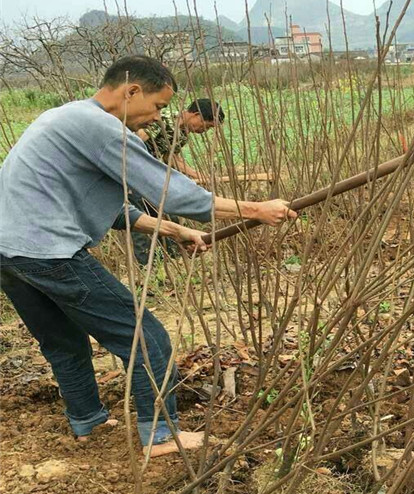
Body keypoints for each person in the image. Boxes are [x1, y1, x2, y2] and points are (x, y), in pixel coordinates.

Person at [0, 55, 296, 457]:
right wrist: (255, 209)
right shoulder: (101, 128)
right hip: (49, 253)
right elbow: (171, 192)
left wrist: (171, 228)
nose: (158, 118)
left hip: (10, 253)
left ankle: (87, 420)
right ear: (132, 90)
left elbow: (102, 204)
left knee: (63, 341)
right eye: (157, 106)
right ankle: (159, 434)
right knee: (145, 336)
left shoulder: (64, 119)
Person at [132, 98, 224, 264]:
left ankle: (174, 259)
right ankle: (145, 266)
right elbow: (135, 141)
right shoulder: (162, 121)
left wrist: (198, 175)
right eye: (207, 126)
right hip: (134, 177)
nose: (205, 130)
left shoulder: (182, 134)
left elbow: (171, 158)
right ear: (196, 115)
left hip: (150, 179)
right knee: (141, 222)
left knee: (169, 217)